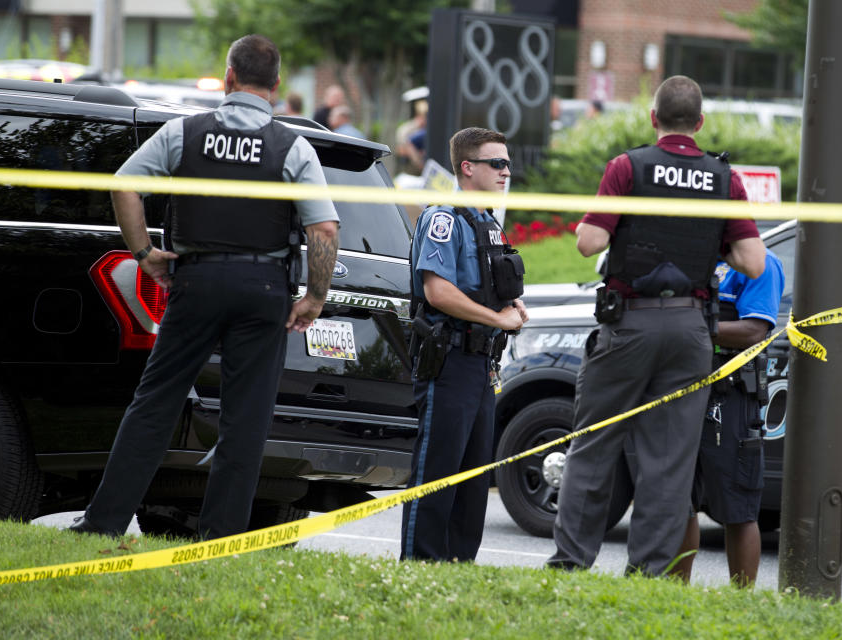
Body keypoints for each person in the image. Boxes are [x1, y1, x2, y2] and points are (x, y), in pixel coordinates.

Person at [69, 34, 340, 540]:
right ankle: (219, 538)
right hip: (263, 287)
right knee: (245, 418)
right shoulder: (292, 146)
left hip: (195, 280)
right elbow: (323, 229)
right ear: (277, 87)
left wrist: (145, 254)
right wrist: (315, 296)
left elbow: (123, 184)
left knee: (155, 403)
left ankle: (103, 523)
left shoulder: (185, 133)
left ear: (229, 77)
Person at [546, 75, 766, 576]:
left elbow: (588, 243)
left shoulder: (628, 167)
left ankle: (571, 563)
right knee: (669, 463)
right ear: (701, 123)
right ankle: (648, 574)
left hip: (629, 326)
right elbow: (753, 262)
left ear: (653, 118)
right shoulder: (724, 179)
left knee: (594, 445)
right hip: (692, 331)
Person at [401, 127, 528, 562]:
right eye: (497, 163)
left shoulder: (487, 222)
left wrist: (511, 303)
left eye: (508, 163)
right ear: (468, 168)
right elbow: (438, 291)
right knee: (437, 474)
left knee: (474, 483)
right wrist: (497, 318)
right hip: (449, 361)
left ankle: (457, 571)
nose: (506, 171)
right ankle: (419, 568)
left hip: (480, 365)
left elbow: (483, 284)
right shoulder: (444, 217)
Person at [675, 249, 785, 587]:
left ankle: (740, 603)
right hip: (679, 388)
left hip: (730, 395)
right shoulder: (690, 255)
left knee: (737, 505)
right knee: (677, 502)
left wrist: (692, 328)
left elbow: (755, 329)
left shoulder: (760, 262)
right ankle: (670, 595)